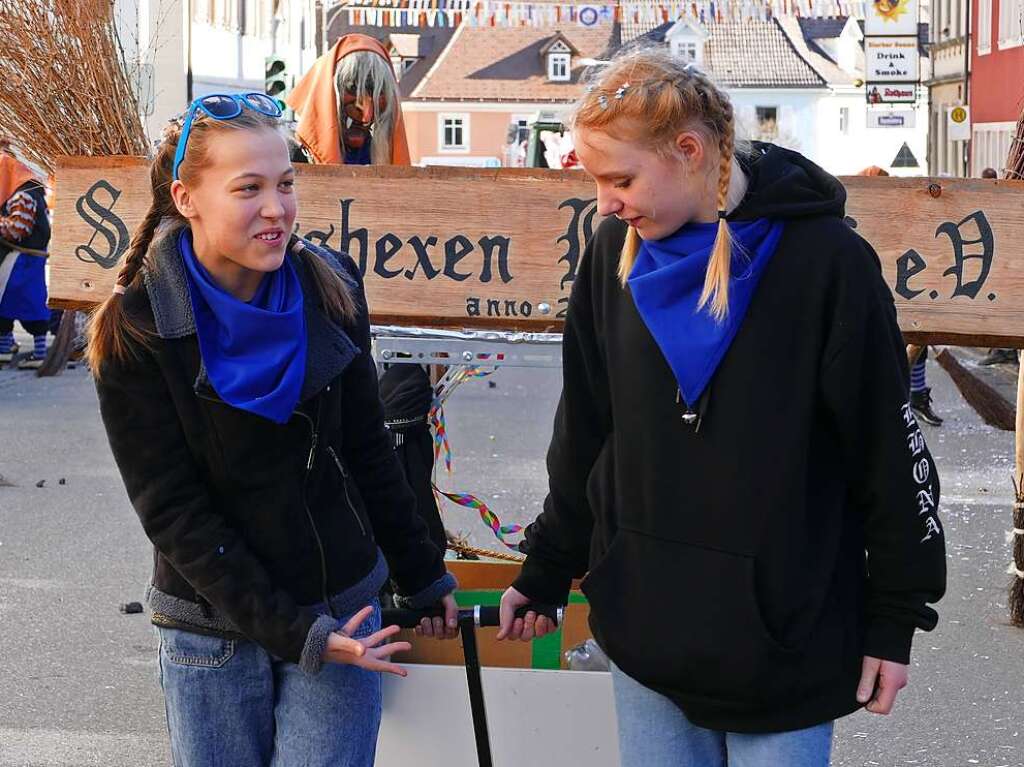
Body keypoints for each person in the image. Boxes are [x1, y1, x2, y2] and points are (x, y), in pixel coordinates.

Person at [497, 50, 946, 766]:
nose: (605, 201)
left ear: (690, 151)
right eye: (595, 180)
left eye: (620, 178)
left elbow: (886, 455)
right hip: (646, 635)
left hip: (784, 647)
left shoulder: (826, 263)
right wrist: (546, 566)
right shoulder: (613, 249)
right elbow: (585, 430)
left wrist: (896, 619)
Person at [87, 93, 457, 766]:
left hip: (342, 605)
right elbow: (173, 511)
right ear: (187, 197)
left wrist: (423, 573)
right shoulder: (137, 328)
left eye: (286, 183)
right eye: (248, 188)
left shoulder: (329, 286)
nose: (277, 208)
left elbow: (369, 449)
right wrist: (297, 633)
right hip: (211, 628)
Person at [288, 33, 449, 563]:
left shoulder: (387, 158)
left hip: (383, 329)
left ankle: (408, 562)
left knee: (397, 431)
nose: (362, 110)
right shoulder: (290, 155)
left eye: (375, 98)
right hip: (312, 325)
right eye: (353, 95)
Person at [855, 166, 943, 425]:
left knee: (916, 344)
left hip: (902, 290)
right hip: (872, 296)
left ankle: (914, 398)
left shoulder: (898, 215)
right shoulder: (856, 219)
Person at [286, 33, 410, 166]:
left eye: (377, 94)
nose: (366, 116)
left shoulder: (375, 156)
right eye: (353, 88)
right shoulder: (287, 153)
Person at [0, 137, 51, 369]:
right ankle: (5, 348)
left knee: (25, 303)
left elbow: (17, 229)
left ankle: (39, 352)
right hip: (20, 260)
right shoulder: (19, 186)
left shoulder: (23, 192)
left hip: (22, 260)